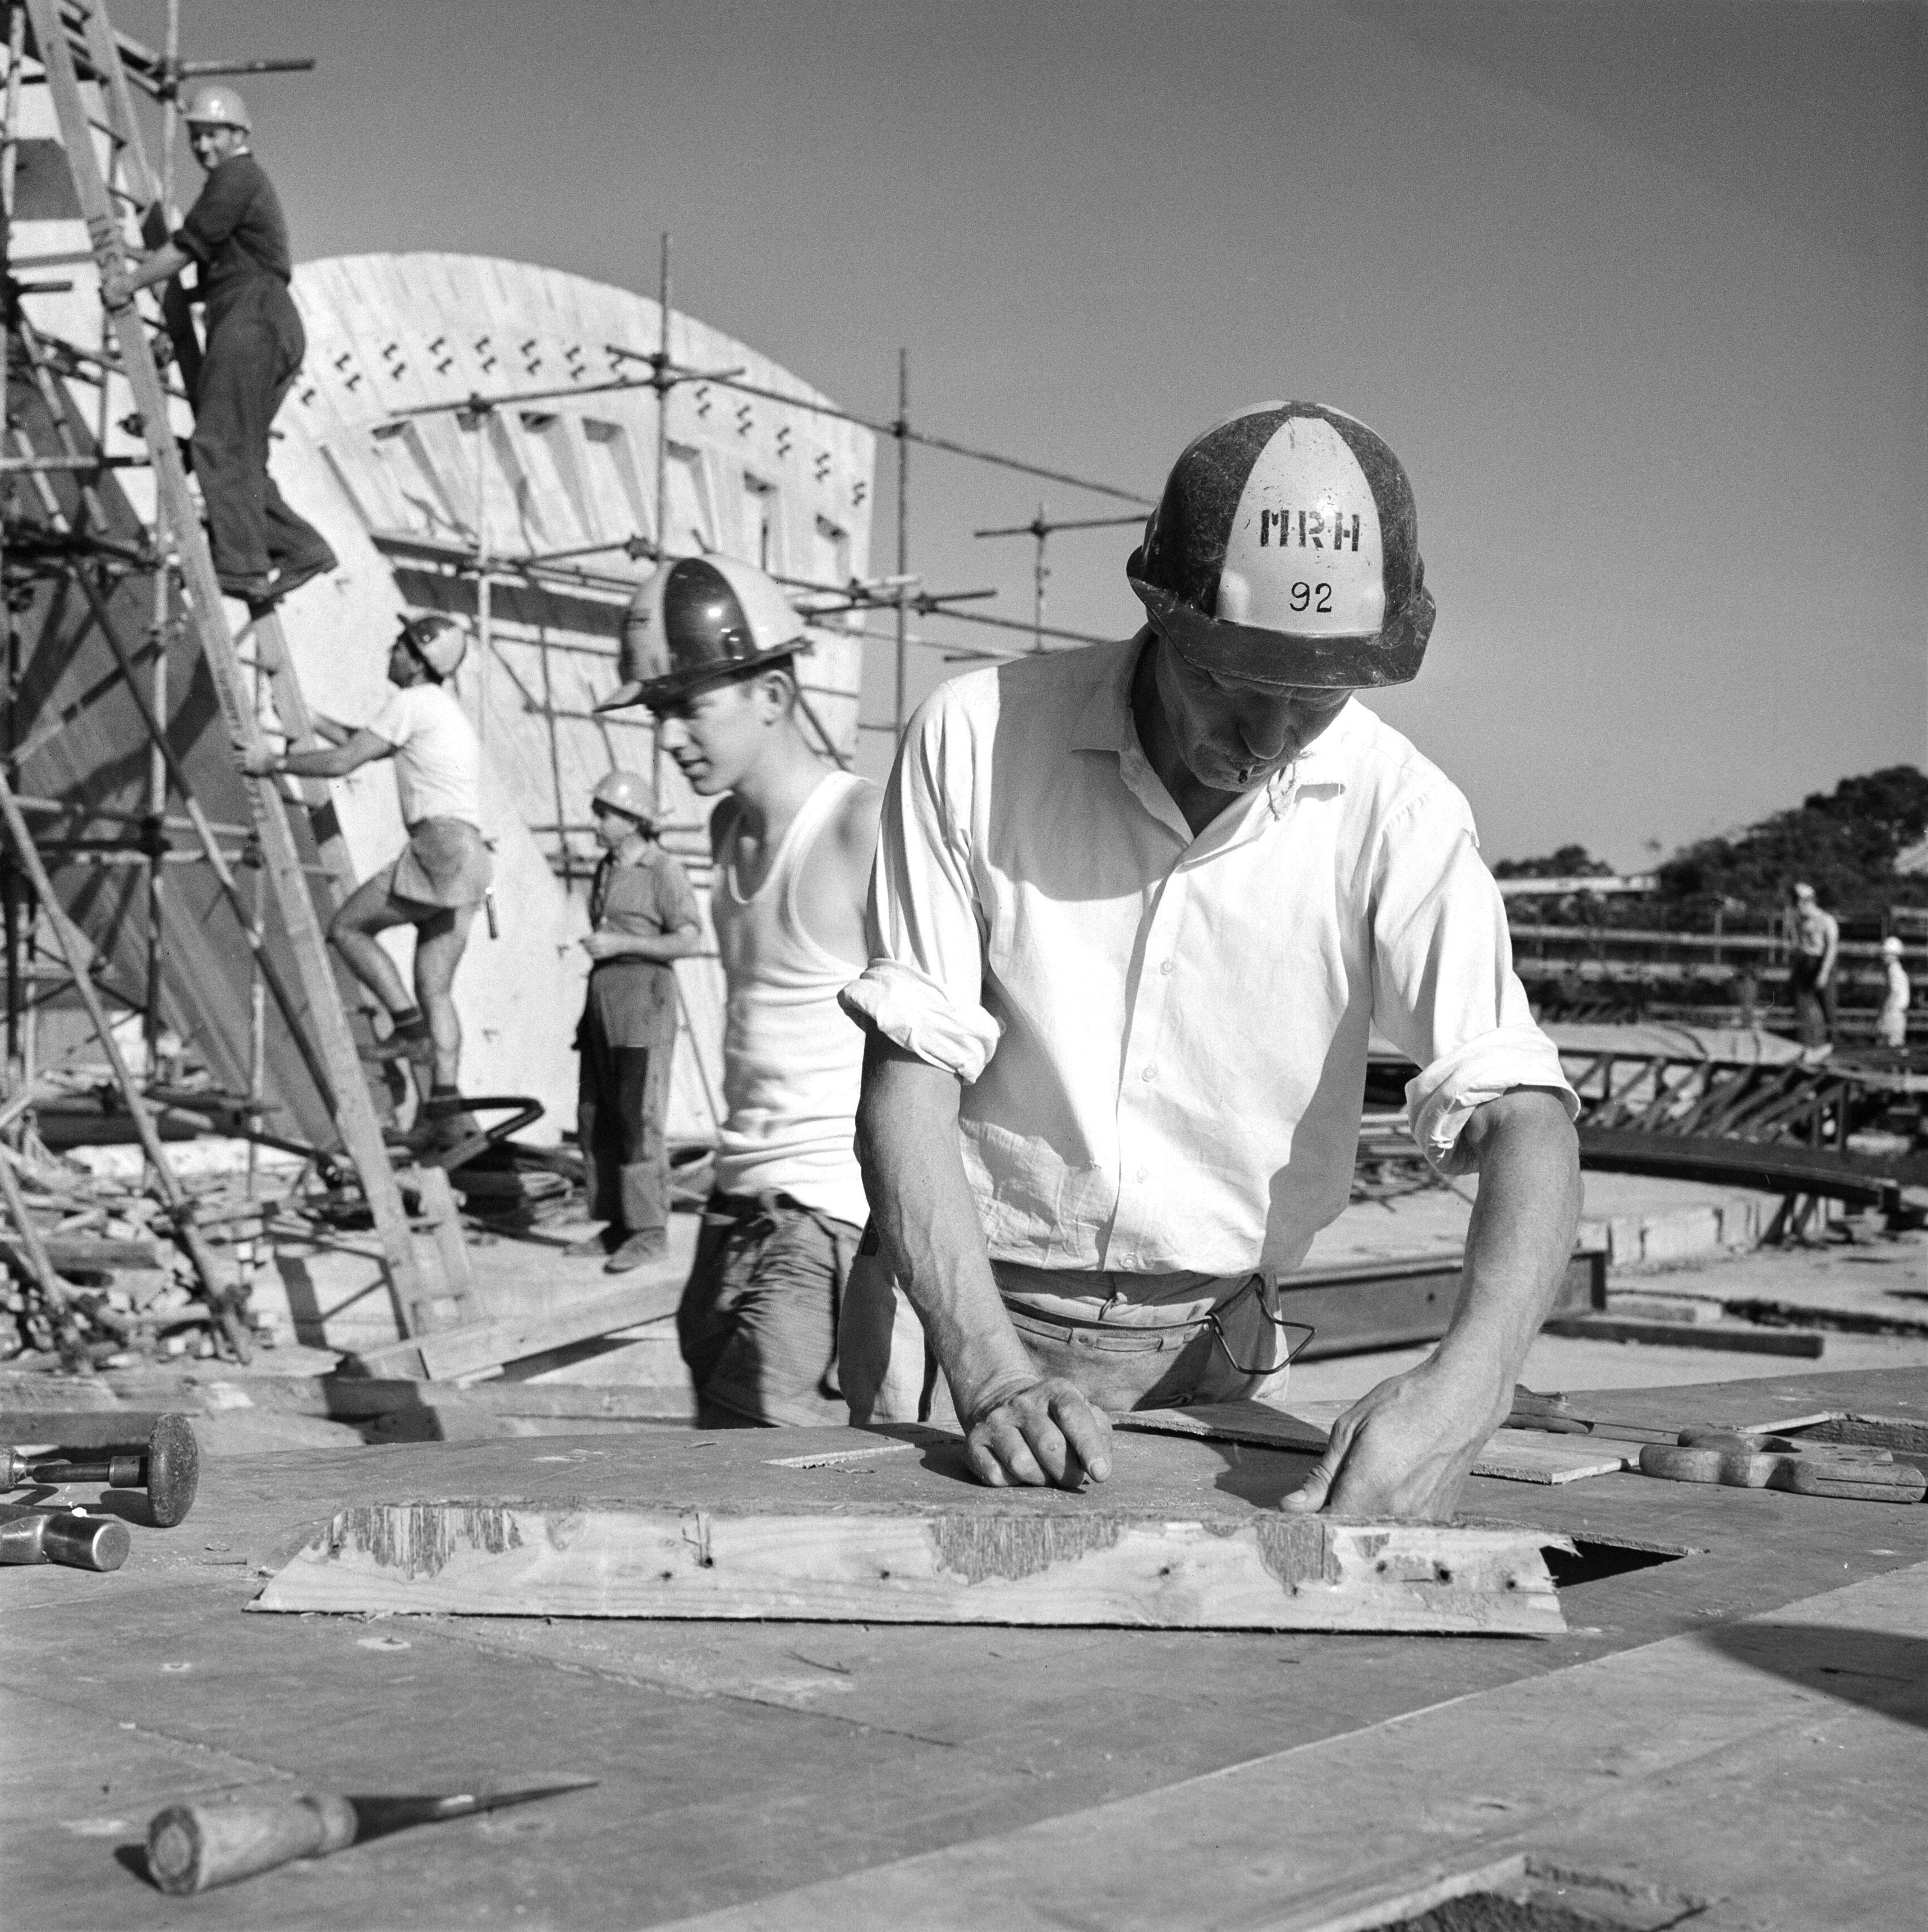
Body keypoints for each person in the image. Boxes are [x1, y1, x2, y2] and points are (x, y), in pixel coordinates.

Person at [838, 401, 1582, 1521]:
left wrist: (1468, 1385)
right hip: (957, 1325)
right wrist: (990, 1374)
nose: (1268, 742)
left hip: (1214, 1340)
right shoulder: (976, 739)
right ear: (1162, 619)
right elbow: (905, 1085)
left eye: (1314, 702)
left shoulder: (1397, 811)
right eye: (1232, 689)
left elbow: (1522, 1114)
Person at [599, 555, 880, 1425]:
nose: (670, 736)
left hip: (825, 1222)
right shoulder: (725, 828)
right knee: (719, 1476)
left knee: (773, 1501)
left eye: (690, 705)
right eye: (658, 711)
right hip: (734, 1208)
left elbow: (968, 1036)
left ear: (773, 694)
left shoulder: (859, 829)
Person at [244, 614, 490, 1121]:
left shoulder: (412, 702)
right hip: (471, 856)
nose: (390, 652)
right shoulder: (437, 708)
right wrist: (311, 720)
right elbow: (369, 742)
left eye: (398, 645)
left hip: (438, 846)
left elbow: (342, 763)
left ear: (419, 659)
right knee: (436, 988)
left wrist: (273, 764)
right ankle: (444, 1103)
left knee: (348, 927)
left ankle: (407, 1027)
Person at [99, 85, 336, 608]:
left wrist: (129, 284)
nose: (203, 148)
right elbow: (224, 268)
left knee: (217, 446)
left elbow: (188, 248)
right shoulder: (243, 182)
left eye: (212, 136)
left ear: (238, 135)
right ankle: (300, 549)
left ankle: (244, 567)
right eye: (195, 138)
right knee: (243, 457)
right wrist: (175, 301)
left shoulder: (236, 177)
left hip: (252, 320)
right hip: (262, 318)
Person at [568, 770, 705, 1272]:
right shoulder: (606, 868)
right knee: (596, 1113)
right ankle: (616, 1223)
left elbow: (689, 937)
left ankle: (649, 1231)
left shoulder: (662, 870)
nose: (597, 822)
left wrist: (623, 944)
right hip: (603, 998)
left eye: (605, 814)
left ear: (632, 821)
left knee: (636, 1115)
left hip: (643, 1002)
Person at [1787, 882, 1840, 1048]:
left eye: (1800, 903)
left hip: (1821, 964)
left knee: (1828, 1008)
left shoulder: (1827, 921)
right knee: (1801, 1006)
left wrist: (1823, 973)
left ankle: (1834, 1046)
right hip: (1805, 964)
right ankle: (1803, 1046)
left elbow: (1831, 949)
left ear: (1809, 901)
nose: (1798, 907)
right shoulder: (1801, 922)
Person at [1876, 935, 1910, 1051]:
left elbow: (1894, 992)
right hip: (1897, 1012)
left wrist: (1885, 1011)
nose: (1884, 956)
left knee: (1891, 1046)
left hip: (1894, 1013)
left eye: (1887, 954)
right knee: (1894, 1044)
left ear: (1895, 955)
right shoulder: (1895, 970)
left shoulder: (1893, 970)